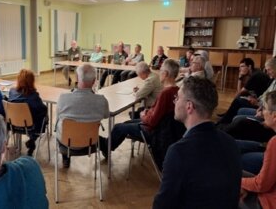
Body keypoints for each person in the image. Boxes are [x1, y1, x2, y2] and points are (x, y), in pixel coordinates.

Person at [153, 77, 242, 209]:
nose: (175, 102)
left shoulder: (179, 152)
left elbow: (163, 204)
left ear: (189, 106)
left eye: (177, 98)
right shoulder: (230, 142)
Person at [99, 59, 180, 156]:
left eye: (161, 70)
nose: (159, 73)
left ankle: (105, 146)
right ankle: (107, 146)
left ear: (166, 74)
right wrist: (147, 113)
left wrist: (143, 115)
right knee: (125, 123)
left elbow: (152, 121)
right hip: (164, 130)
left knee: (118, 127)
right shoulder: (177, 90)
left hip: (154, 131)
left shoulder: (165, 93)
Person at [56, 64, 109, 168]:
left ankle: (66, 158)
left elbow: (58, 116)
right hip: (90, 143)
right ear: (94, 81)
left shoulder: (63, 98)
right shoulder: (101, 100)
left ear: (76, 78)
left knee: (63, 127)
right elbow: (106, 115)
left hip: (66, 143)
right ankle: (106, 152)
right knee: (101, 139)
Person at [240, 90, 276, 209]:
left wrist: (240, 183)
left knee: (227, 184)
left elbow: (261, 185)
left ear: (274, 116)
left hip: (269, 202)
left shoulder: (274, 143)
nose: (262, 111)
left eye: (264, 108)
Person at [218, 58, 275, 127]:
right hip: (261, 104)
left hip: (263, 107)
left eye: (242, 66)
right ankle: (227, 118)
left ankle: (224, 121)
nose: (240, 69)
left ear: (249, 67)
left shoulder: (255, 75)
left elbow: (239, 93)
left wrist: (239, 78)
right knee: (239, 100)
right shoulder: (259, 74)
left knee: (238, 100)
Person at [8, 69, 48, 156]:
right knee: (42, 116)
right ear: (32, 81)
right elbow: (43, 109)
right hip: (30, 126)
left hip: (14, 125)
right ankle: (32, 139)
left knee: (33, 114)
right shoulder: (33, 96)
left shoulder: (12, 91)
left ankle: (32, 140)